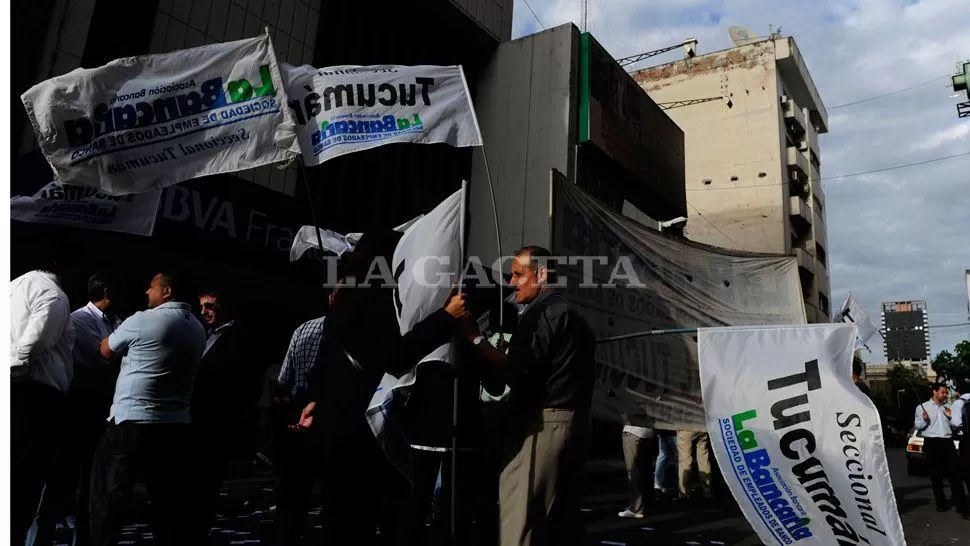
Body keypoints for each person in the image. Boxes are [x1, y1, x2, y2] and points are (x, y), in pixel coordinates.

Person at [296, 231, 471, 545]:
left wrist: (317, 399)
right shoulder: (373, 297)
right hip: (358, 434)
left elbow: (325, 361)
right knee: (357, 523)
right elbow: (393, 356)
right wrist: (446, 317)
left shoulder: (344, 293)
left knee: (341, 521)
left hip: (334, 429)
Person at [460, 245, 595, 546]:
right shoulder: (568, 312)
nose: (511, 283)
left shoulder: (542, 313)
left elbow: (515, 372)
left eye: (518, 275)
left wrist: (474, 336)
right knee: (560, 524)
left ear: (542, 274)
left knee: (519, 523)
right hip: (570, 422)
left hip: (544, 425)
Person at [89, 271, 206, 546]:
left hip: (132, 421)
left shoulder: (143, 320)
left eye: (151, 287)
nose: (146, 292)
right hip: (175, 424)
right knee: (166, 502)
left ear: (166, 292)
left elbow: (105, 351)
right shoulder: (198, 328)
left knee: (108, 498)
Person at [28, 274, 122, 546]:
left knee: (90, 484)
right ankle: (39, 538)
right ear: (107, 291)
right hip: (78, 409)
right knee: (59, 480)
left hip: (98, 410)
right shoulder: (81, 319)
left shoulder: (112, 321)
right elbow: (100, 359)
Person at [187, 289, 260, 544]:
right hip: (195, 419)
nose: (204, 312)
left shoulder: (236, 337)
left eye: (210, 307)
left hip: (216, 421)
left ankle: (198, 531)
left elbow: (237, 385)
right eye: (202, 307)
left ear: (223, 308)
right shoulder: (203, 334)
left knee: (205, 484)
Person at [10, 266, 76, 543]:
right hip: (33, 395)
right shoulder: (54, 294)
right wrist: (16, 370)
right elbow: (34, 341)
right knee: (24, 477)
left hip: (21, 392)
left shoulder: (12, 288)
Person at [272, 287, 333, 546]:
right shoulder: (353, 333)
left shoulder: (304, 329)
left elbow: (284, 379)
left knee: (292, 496)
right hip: (331, 420)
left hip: (298, 419)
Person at [914, 383, 967, 515]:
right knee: (935, 475)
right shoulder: (922, 407)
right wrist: (924, 420)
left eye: (946, 393)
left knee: (955, 474)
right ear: (935, 392)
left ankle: (961, 506)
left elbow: (956, 426)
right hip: (931, 442)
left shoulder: (949, 407)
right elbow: (917, 426)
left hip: (947, 441)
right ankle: (941, 503)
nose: (945, 395)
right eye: (943, 392)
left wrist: (950, 418)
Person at [619, 420, 655, 519]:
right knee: (647, 470)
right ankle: (647, 505)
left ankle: (636, 507)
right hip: (648, 431)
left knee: (634, 471)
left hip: (633, 431)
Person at [676, 429, 713, 500]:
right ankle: (707, 490)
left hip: (686, 426)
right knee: (703, 457)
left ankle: (684, 493)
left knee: (685, 460)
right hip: (702, 426)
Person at [952, 380, 970, 511]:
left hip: (967, 441)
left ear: (958, 392)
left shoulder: (959, 403)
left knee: (966, 472)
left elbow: (956, 423)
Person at [654, 429, 678, 498]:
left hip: (662, 430)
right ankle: (681, 485)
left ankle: (657, 485)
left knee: (662, 456)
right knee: (679, 458)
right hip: (674, 431)